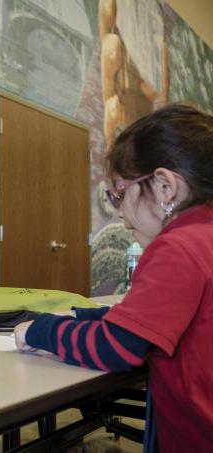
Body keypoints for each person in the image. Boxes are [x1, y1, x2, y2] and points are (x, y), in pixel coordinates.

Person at [13, 104, 213, 450]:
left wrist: (40, 330)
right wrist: (84, 315)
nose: (119, 213)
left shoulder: (177, 247)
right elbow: (160, 317)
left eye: (120, 193)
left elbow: (117, 347)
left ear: (165, 186)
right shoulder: (204, 236)